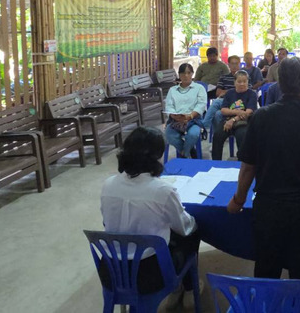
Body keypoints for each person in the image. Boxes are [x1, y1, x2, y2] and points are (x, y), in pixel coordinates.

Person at [227, 58, 300, 290]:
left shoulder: (261, 117)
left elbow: (248, 166)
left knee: (267, 268)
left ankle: (267, 303)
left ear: (279, 84)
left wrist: (238, 199)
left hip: (271, 207)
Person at [100, 127, 199, 301]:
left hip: (110, 271)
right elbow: (184, 228)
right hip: (149, 275)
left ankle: (179, 290)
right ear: (156, 157)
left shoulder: (108, 185)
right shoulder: (162, 190)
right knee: (192, 232)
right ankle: (189, 290)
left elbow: (106, 223)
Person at [212, 70, 257, 161]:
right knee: (217, 135)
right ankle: (216, 162)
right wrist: (238, 112)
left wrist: (233, 120)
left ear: (248, 82)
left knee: (242, 135)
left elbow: (248, 112)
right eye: (239, 82)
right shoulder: (229, 93)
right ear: (234, 82)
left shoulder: (252, 94)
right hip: (227, 121)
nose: (242, 84)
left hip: (244, 122)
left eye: (244, 81)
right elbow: (223, 110)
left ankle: (242, 162)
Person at [164, 64, 207, 158]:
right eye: (183, 73)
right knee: (170, 135)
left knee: (193, 134)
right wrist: (174, 116)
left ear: (192, 74)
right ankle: (189, 151)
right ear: (179, 75)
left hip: (193, 120)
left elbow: (201, 105)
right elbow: (169, 106)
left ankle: (185, 153)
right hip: (176, 121)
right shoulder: (173, 90)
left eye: (188, 73)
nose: (186, 76)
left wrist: (190, 116)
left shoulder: (199, 88)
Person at [204, 55, 241, 136]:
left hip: (238, 102)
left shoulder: (243, 77)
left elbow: (244, 92)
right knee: (217, 114)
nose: (234, 66)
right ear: (229, 65)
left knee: (216, 102)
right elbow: (218, 93)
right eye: (232, 64)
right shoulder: (224, 77)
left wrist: (227, 91)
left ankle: (204, 126)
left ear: (239, 64)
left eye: (236, 63)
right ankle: (219, 135)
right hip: (225, 101)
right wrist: (232, 91)